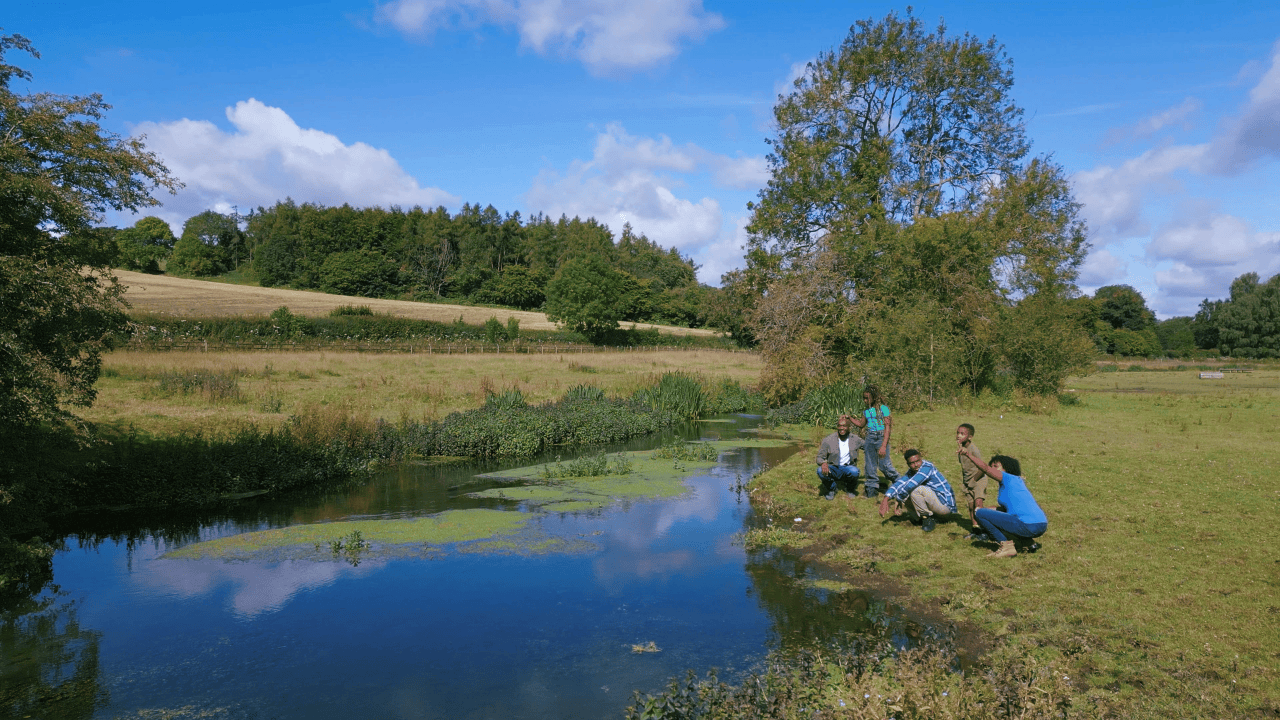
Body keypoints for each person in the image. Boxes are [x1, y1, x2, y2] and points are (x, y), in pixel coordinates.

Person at [958, 448, 1047, 558]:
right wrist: (989, 511)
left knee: (979, 513)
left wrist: (968, 455)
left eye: (996, 466)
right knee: (986, 513)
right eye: (992, 466)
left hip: (1028, 525)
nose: (992, 469)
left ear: (1007, 468)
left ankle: (1006, 547)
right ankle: (1028, 543)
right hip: (1041, 524)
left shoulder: (1008, 478)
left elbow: (985, 468)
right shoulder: (1016, 482)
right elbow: (1007, 510)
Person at [878, 449, 958, 532]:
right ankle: (919, 519)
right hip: (935, 505)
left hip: (945, 507)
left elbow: (911, 485)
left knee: (915, 490)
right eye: (912, 463)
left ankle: (927, 519)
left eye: (918, 461)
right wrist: (886, 498)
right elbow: (899, 483)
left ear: (921, 459)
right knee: (905, 492)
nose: (916, 465)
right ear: (908, 464)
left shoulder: (927, 467)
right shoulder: (911, 472)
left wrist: (898, 499)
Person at [850, 385, 898, 498]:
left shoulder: (883, 409)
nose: (865, 400)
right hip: (869, 438)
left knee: (884, 465)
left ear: (874, 397)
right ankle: (871, 490)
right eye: (864, 398)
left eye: (867, 398)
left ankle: (899, 482)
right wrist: (850, 419)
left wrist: (883, 445)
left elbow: (887, 427)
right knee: (870, 466)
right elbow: (861, 424)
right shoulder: (866, 411)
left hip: (881, 437)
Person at [955, 423, 990, 540]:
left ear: (970, 437)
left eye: (962, 434)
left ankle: (985, 530)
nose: (958, 436)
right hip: (968, 481)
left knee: (978, 505)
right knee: (970, 506)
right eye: (957, 433)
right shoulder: (960, 450)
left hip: (979, 479)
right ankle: (976, 530)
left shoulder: (973, 449)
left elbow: (983, 468)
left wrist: (974, 480)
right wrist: (967, 482)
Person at [815, 415, 861, 499]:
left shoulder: (855, 439)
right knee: (820, 470)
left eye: (844, 426)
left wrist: (881, 445)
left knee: (855, 471)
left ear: (849, 427)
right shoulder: (828, 440)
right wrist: (823, 463)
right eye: (839, 426)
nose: (841, 428)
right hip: (833, 468)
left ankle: (849, 488)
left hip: (848, 467)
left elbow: (868, 446)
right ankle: (832, 488)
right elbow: (819, 457)